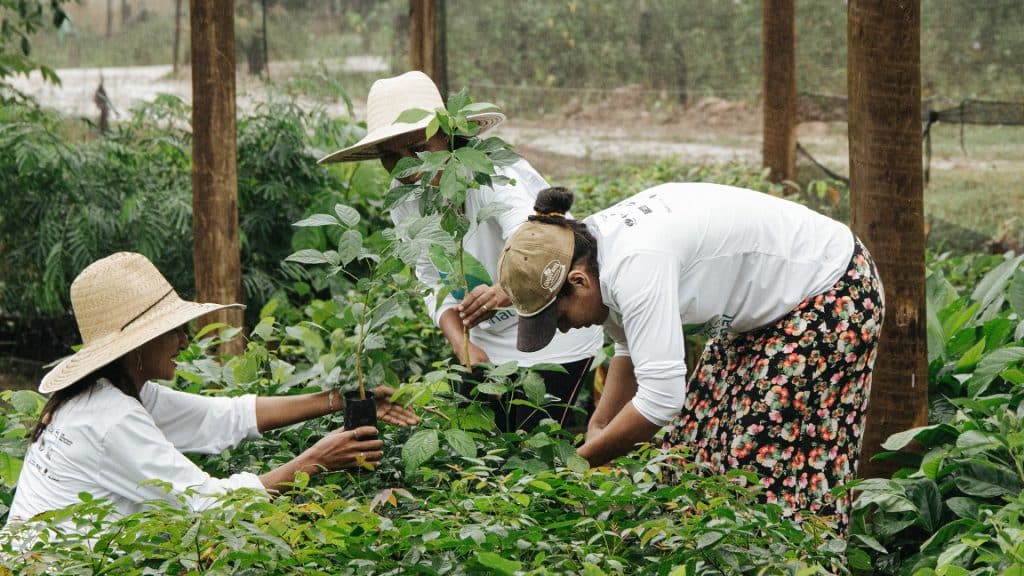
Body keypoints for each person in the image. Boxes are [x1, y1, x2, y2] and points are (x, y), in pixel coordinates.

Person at [498, 183, 884, 527]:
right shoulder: (588, 249)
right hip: (762, 308)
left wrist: (578, 465)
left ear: (577, 282)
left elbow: (660, 400)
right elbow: (630, 348)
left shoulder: (635, 263)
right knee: (693, 442)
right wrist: (598, 427)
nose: (563, 329)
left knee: (760, 457)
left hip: (830, 291)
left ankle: (796, 555)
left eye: (559, 317)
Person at [4, 252, 419, 531]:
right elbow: (208, 505)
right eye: (175, 332)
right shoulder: (113, 418)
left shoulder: (112, 392)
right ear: (137, 347)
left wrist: (338, 400)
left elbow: (225, 417)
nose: (185, 342)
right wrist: (316, 461)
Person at [318, 71, 603, 432]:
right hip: (484, 345)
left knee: (541, 443)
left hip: (555, 335)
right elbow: (428, 278)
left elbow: (534, 236)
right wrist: (460, 344)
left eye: (419, 149)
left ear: (447, 136)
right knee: (486, 452)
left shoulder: (492, 173)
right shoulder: (404, 196)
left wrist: (508, 287)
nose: (409, 167)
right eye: (392, 156)